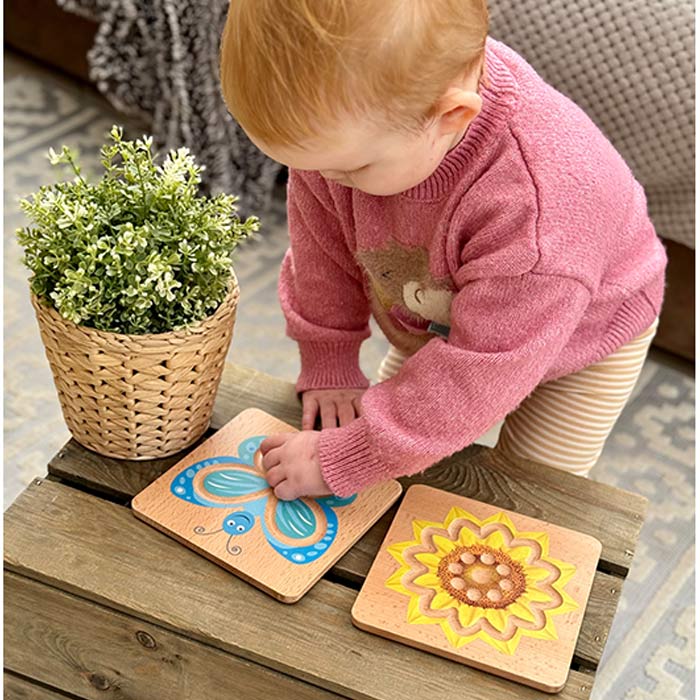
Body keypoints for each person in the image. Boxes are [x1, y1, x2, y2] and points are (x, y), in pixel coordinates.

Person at [219, 0, 666, 501]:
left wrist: (352, 453)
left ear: (451, 116)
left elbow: (478, 372)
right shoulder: (360, 127)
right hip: (440, 309)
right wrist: (330, 361)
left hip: (587, 335)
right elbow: (320, 254)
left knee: (526, 494)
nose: (324, 181)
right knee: (397, 453)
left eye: (350, 170)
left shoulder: (537, 212)